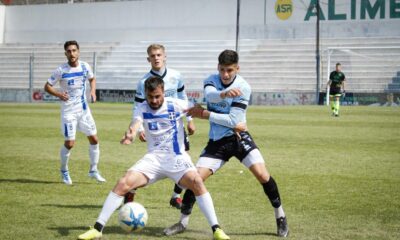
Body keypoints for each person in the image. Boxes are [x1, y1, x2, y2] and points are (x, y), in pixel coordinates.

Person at [78, 76, 230, 240]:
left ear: (163, 92)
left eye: (157, 96)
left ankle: (216, 230)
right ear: (145, 94)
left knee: (197, 182)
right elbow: (135, 123)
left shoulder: (176, 104)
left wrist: (200, 112)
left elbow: (197, 109)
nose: (154, 100)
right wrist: (131, 134)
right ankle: (97, 229)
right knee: (124, 182)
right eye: (150, 97)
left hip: (176, 157)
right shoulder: (141, 107)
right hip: (154, 159)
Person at [163, 50, 289, 238]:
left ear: (237, 68)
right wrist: (223, 94)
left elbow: (234, 121)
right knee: (195, 179)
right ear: (217, 67)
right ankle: (183, 222)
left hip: (239, 138)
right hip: (217, 142)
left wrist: (204, 114)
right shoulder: (211, 80)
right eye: (222, 70)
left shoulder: (244, 87)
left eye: (230, 70)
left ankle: (280, 216)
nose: (225, 74)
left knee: (263, 175)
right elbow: (211, 95)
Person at [125, 44, 195, 209]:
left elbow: (183, 98)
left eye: (158, 55)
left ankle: (175, 196)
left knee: (182, 158)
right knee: (155, 161)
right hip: (154, 126)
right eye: (152, 55)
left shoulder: (176, 76)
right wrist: (140, 129)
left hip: (175, 123)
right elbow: (138, 106)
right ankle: (132, 188)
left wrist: (190, 120)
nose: (156, 58)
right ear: (148, 59)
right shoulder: (143, 82)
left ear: (164, 56)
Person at [44, 40, 105, 185]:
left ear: (78, 51)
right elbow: (47, 86)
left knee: (94, 139)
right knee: (70, 143)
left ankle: (93, 170)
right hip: (69, 112)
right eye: (69, 51)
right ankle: (64, 171)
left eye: (74, 50)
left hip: (83, 110)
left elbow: (92, 78)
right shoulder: (61, 70)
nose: (72, 53)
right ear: (65, 53)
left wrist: (93, 92)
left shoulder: (85, 66)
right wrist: (59, 94)